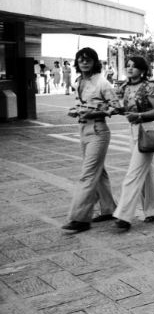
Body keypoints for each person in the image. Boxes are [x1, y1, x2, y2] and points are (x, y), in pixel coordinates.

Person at [61, 48, 120, 233]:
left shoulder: (102, 83)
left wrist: (96, 112)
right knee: (98, 171)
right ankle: (109, 208)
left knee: (87, 175)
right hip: (83, 129)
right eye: (80, 60)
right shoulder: (80, 81)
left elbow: (117, 107)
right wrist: (76, 109)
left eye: (87, 60)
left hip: (98, 130)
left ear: (95, 62)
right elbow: (83, 104)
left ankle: (80, 218)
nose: (84, 63)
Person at [112, 56, 154, 230]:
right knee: (145, 173)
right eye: (128, 66)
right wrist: (116, 110)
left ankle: (123, 215)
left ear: (142, 70)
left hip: (148, 129)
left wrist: (140, 116)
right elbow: (128, 109)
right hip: (133, 130)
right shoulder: (125, 87)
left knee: (133, 174)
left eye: (134, 66)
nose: (130, 69)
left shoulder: (150, 86)